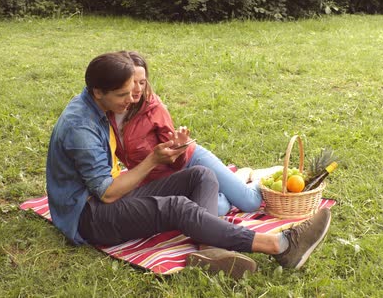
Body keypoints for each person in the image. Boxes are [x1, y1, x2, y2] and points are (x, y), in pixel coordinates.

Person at [46, 51, 332, 279]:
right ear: (98, 92)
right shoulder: (81, 128)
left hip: (106, 197)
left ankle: (209, 249)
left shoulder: (97, 104)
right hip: (89, 216)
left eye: (132, 91)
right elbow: (106, 193)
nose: (129, 100)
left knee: (202, 176)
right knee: (176, 207)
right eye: (122, 95)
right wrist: (152, 160)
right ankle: (280, 245)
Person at [109, 51, 262, 216]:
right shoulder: (108, 111)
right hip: (162, 182)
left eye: (143, 82)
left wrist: (179, 147)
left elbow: (174, 161)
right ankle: (234, 182)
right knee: (219, 208)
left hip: (190, 161)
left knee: (250, 202)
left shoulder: (154, 109)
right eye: (133, 83)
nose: (138, 89)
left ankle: (259, 180)